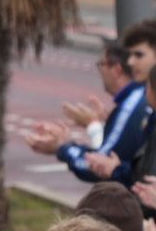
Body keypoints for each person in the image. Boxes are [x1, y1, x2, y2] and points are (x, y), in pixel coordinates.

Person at [26, 42, 152, 185]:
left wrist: (63, 147)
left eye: (101, 64)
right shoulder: (134, 102)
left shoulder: (133, 104)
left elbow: (100, 164)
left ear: (116, 69)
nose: (131, 62)